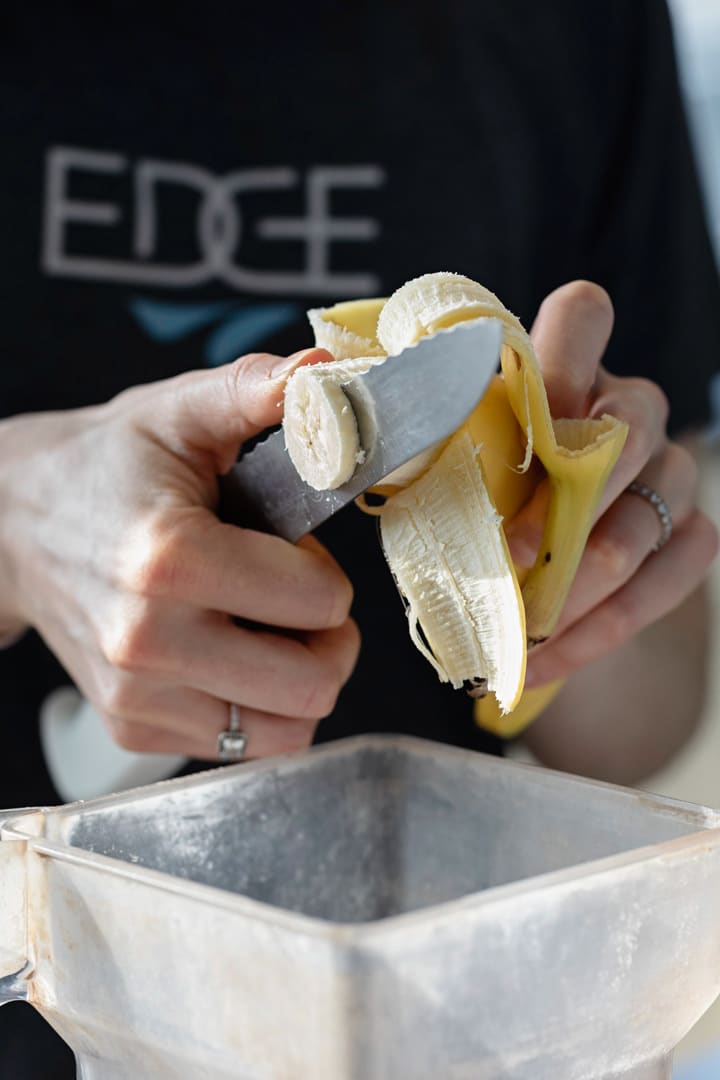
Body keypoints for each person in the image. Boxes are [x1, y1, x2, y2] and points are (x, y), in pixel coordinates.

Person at [1, 0, 719, 1074]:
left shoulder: (579, 26)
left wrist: (571, 553)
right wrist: (14, 523)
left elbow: (643, 730)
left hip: (440, 1010)